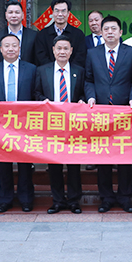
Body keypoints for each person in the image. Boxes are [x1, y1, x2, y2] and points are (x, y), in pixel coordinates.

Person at [85, 15, 132, 213]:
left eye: (113, 29)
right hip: (101, 112)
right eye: (106, 29)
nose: (110, 32)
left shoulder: (131, 52)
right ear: (101, 32)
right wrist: (91, 97)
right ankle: (106, 197)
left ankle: (125, 197)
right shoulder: (92, 53)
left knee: (125, 157)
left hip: (124, 112)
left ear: (120, 32)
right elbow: (88, 79)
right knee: (103, 158)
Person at [0, 34, 37, 212]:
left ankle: (26, 199)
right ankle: (5, 199)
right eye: (7, 46)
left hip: (25, 124)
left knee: (25, 164)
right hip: (1, 125)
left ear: (20, 48)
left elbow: (37, 93)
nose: (11, 49)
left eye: (14, 45)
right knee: (3, 164)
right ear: (1, 49)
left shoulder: (31, 69)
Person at [34, 35, 86, 214]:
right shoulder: (42, 70)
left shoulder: (79, 71)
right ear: (53, 50)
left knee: (73, 164)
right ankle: (57, 200)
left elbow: (83, 93)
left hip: (73, 124)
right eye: (59, 48)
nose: (62, 52)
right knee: (54, 165)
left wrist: (82, 100)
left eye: (66, 49)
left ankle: (74, 201)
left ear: (71, 51)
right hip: (52, 125)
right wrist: (44, 101)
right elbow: (36, 93)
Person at [34, 0, 87, 68]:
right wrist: (54, 70)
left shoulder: (78, 34)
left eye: (63, 11)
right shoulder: (42, 34)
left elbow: (80, 56)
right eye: (57, 11)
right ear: (52, 13)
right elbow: (40, 56)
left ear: (68, 13)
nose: (60, 14)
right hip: (48, 72)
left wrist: (67, 70)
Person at [0, 0, 37, 64]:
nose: (14, 16)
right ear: (6, 15)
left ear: (22, 15)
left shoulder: (33, 35)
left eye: (17, 12)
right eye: (10, 12)